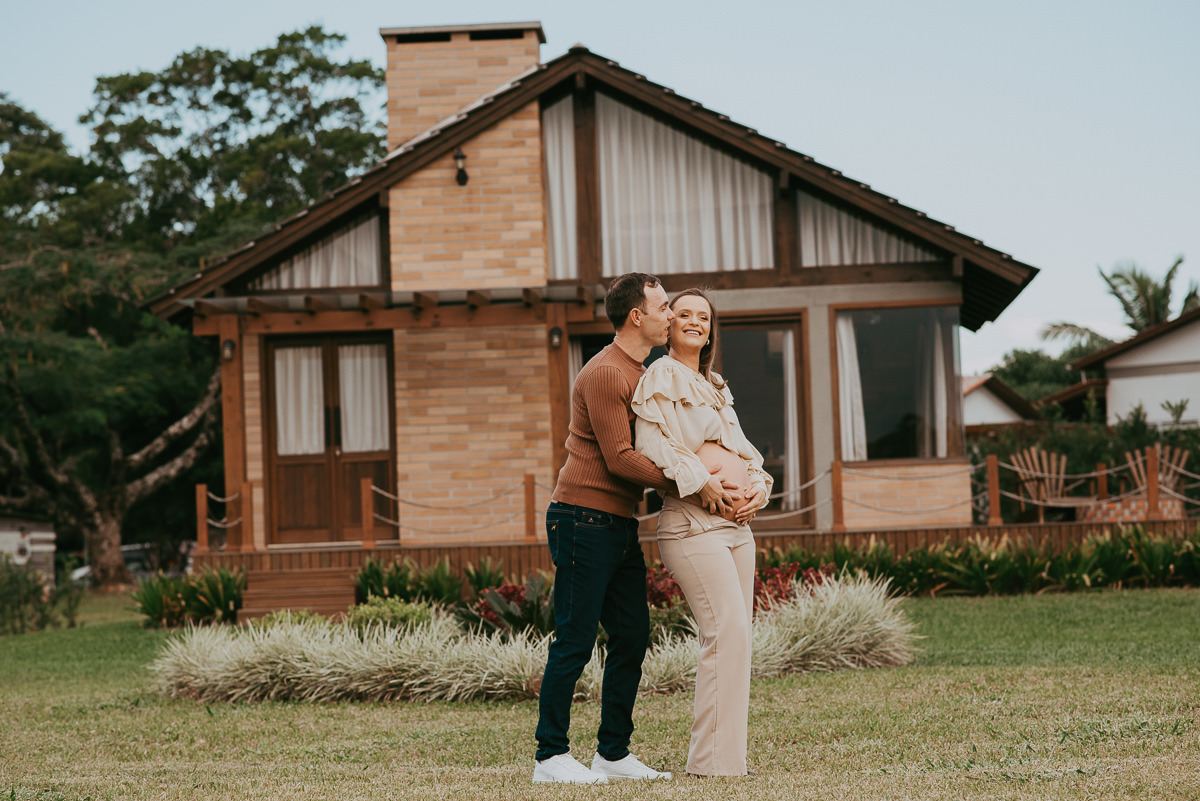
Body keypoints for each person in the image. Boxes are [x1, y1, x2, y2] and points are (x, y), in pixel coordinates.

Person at [533, 273, 738, 785]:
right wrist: (694, 486)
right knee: (576, 638)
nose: (672, 315)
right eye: (664, 307)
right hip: (582, 518)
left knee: (631, 636)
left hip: (617, 522)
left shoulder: (645, 373)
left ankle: (613, 753)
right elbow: (622, 459)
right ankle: (550, 756)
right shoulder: (606, 374)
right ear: (637, 317)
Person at [630, 287, 772, 777]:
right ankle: (710, 762)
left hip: (736, 527)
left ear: (712, 329)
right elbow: (655, 445)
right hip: (692, 525)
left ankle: (728, 759)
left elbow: (746, 452)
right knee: (724, 631)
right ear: (668, 324)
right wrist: (704, 484)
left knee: (739, 639)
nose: (694, 322)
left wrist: (757, 488)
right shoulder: (660, 376)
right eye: (683, 314)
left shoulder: (714, 385)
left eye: (703, 317)